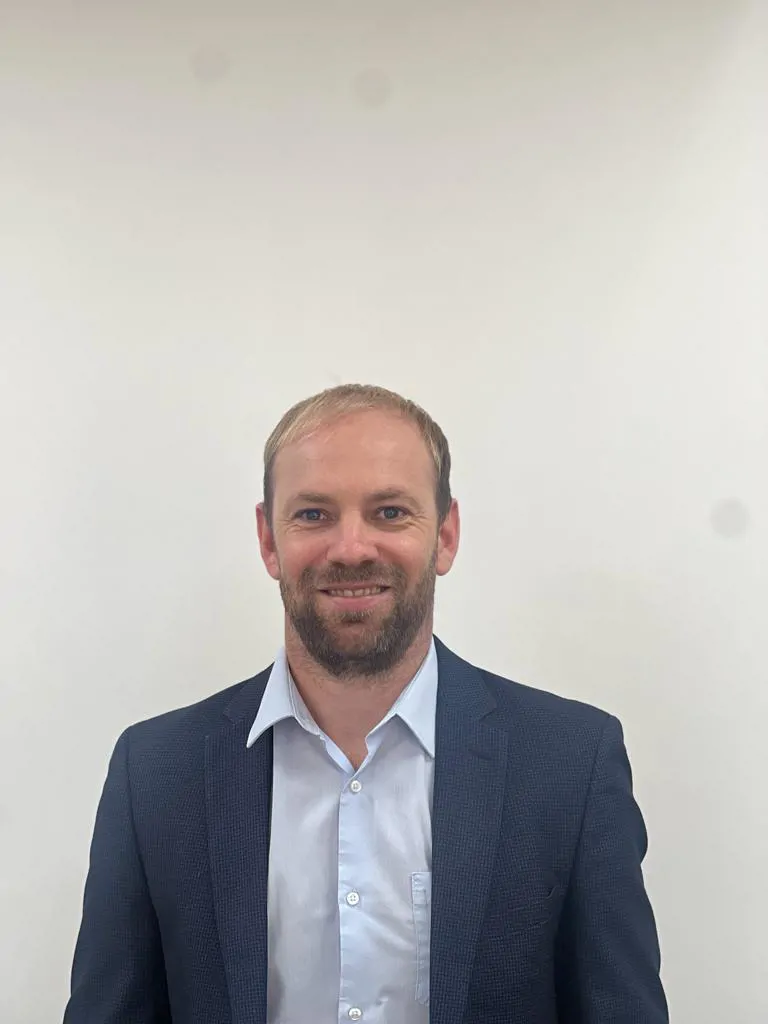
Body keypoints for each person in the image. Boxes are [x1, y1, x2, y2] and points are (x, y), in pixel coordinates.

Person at [64, 383, 669, 1024]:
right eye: (313, 514)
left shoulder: (571, 764)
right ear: (269, 540)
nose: (351, 549)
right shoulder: (156, 772)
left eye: (389, 512)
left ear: (445, 535)